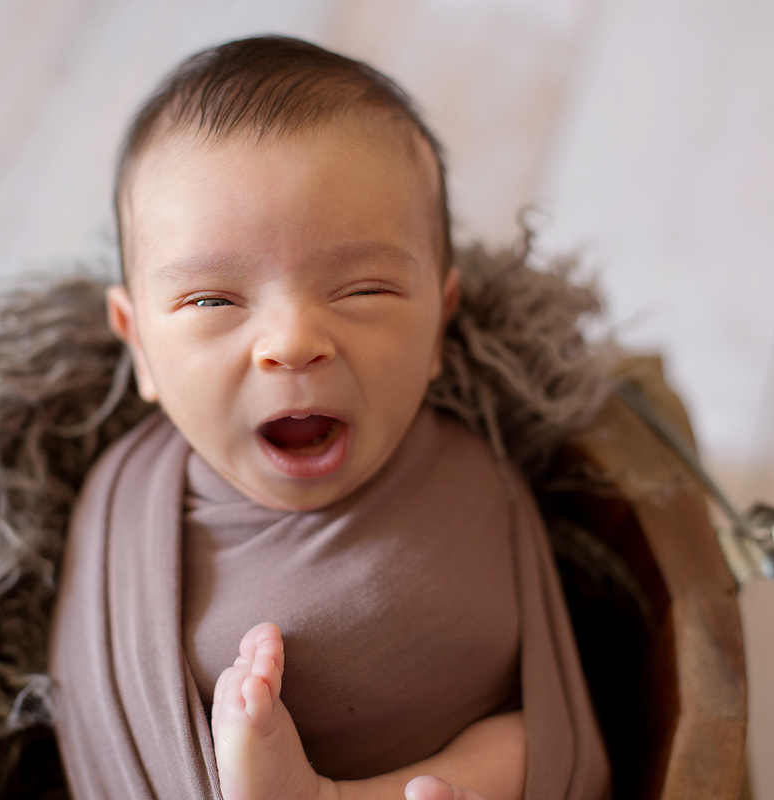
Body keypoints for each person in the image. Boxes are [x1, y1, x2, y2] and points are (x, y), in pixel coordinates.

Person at [48, 36, 608, 800]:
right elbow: (94, 741)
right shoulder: (120, 508)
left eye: (364, 290)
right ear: (138, 344)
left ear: (440, 324)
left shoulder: (481, 485)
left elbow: (554, 733)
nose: (292, 343)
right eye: (213, 300)